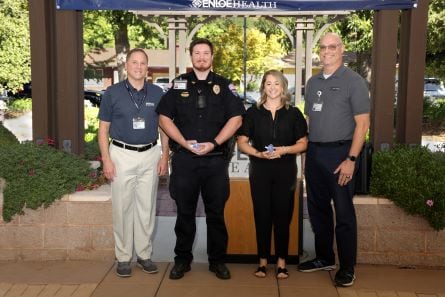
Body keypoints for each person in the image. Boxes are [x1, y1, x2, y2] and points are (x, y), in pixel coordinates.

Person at [156, 38, 245, 280]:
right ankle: (182, 261)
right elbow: (164, 118)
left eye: (206, 53)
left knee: (216, 214)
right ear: (191, 56)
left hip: (215, 161)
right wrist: (184, 143)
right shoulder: (177, 85)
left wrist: (214, 143)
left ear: (212, 57)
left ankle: (217, 261)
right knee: (184, 213)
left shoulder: (225, 86)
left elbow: (236, 119)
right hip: (185, 160)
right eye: (197, 53)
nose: (202, 57)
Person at [297, 32, 370, 287]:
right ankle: (324, 258)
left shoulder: (354, 81)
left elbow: (363, 124)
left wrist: (351, 158)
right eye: (323, 47)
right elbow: (311, 121)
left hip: (341, 155)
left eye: (332, 46)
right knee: (317, 210)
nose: (327, 51)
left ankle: (347, 267)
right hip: (315, 153)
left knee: (344, 212)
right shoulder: (313, 82)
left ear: (342, 49)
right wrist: (307, 156)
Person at [98, 48, 169, 278]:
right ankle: (123, 258)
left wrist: (165, 155)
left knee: (147, 207)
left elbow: (164, 127)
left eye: (142, 63)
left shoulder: (158, 93)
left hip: (150, 154)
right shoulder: (112, 93)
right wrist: (106, 160)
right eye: (134, 63)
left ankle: (145, 255)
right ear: (126, 66)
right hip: (121, 154)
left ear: (147, 68)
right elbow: (103, 129)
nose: (138, 67)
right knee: (122, 208)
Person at [237, 70, 308, 279]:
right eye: (268, 83)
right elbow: (242, 142)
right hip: (260, 171)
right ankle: (262, 263)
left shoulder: (294, 113)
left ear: (283, 87)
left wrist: (284, 150)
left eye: (277, 83)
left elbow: (303, 143)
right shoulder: (253, 113)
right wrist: (258, 153)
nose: (273, 87)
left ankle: (282, 263)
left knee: (283, 217)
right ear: (263, 87)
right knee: (262, 216)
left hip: (285, 171)